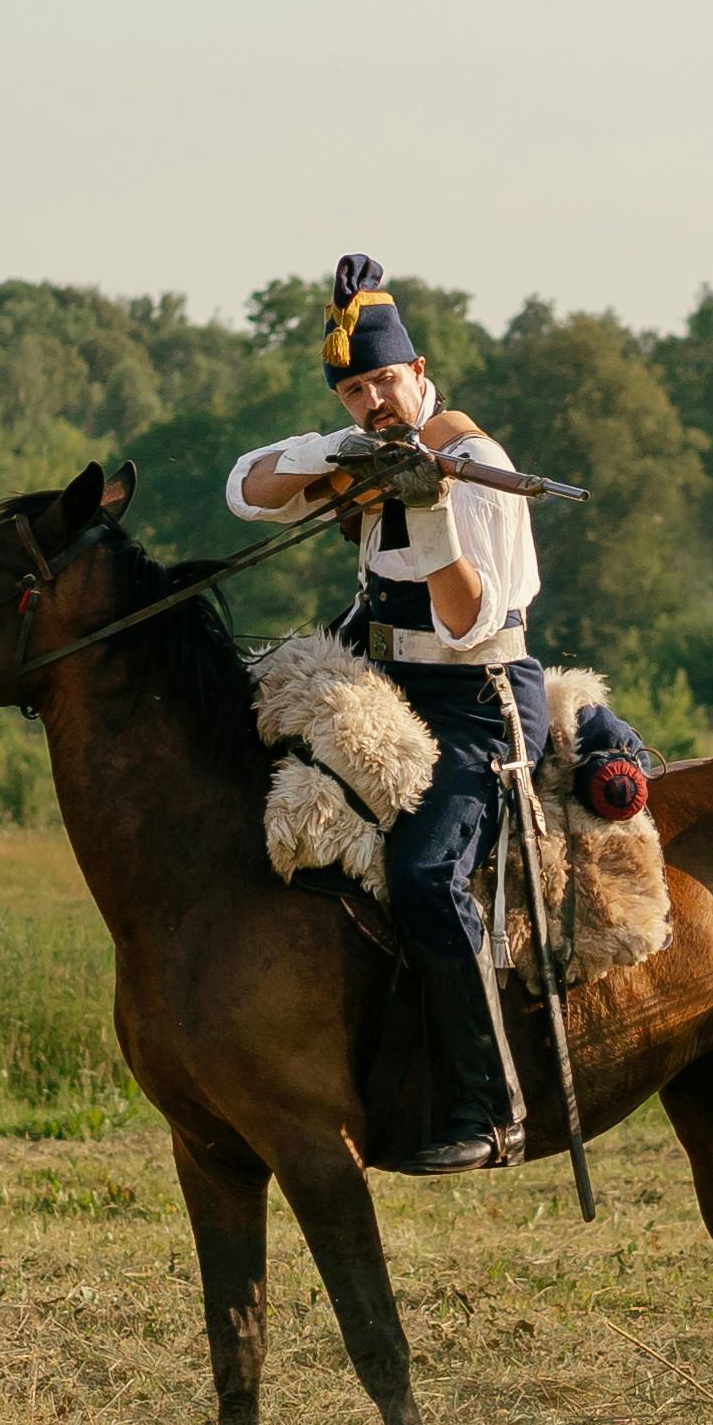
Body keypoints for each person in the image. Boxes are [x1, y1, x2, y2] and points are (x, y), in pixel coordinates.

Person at [230, 255, 549, 1174]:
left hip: (477, 702)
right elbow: (244, 491)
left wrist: (432, 507)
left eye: (384, 381)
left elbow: (466, 619)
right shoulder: (362, 446)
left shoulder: (474, 462)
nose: (374, 400)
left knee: (421, 873)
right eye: (354, 389)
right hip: (385, 688)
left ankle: (492, 1108)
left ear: (419, 373)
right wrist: (336, 456)